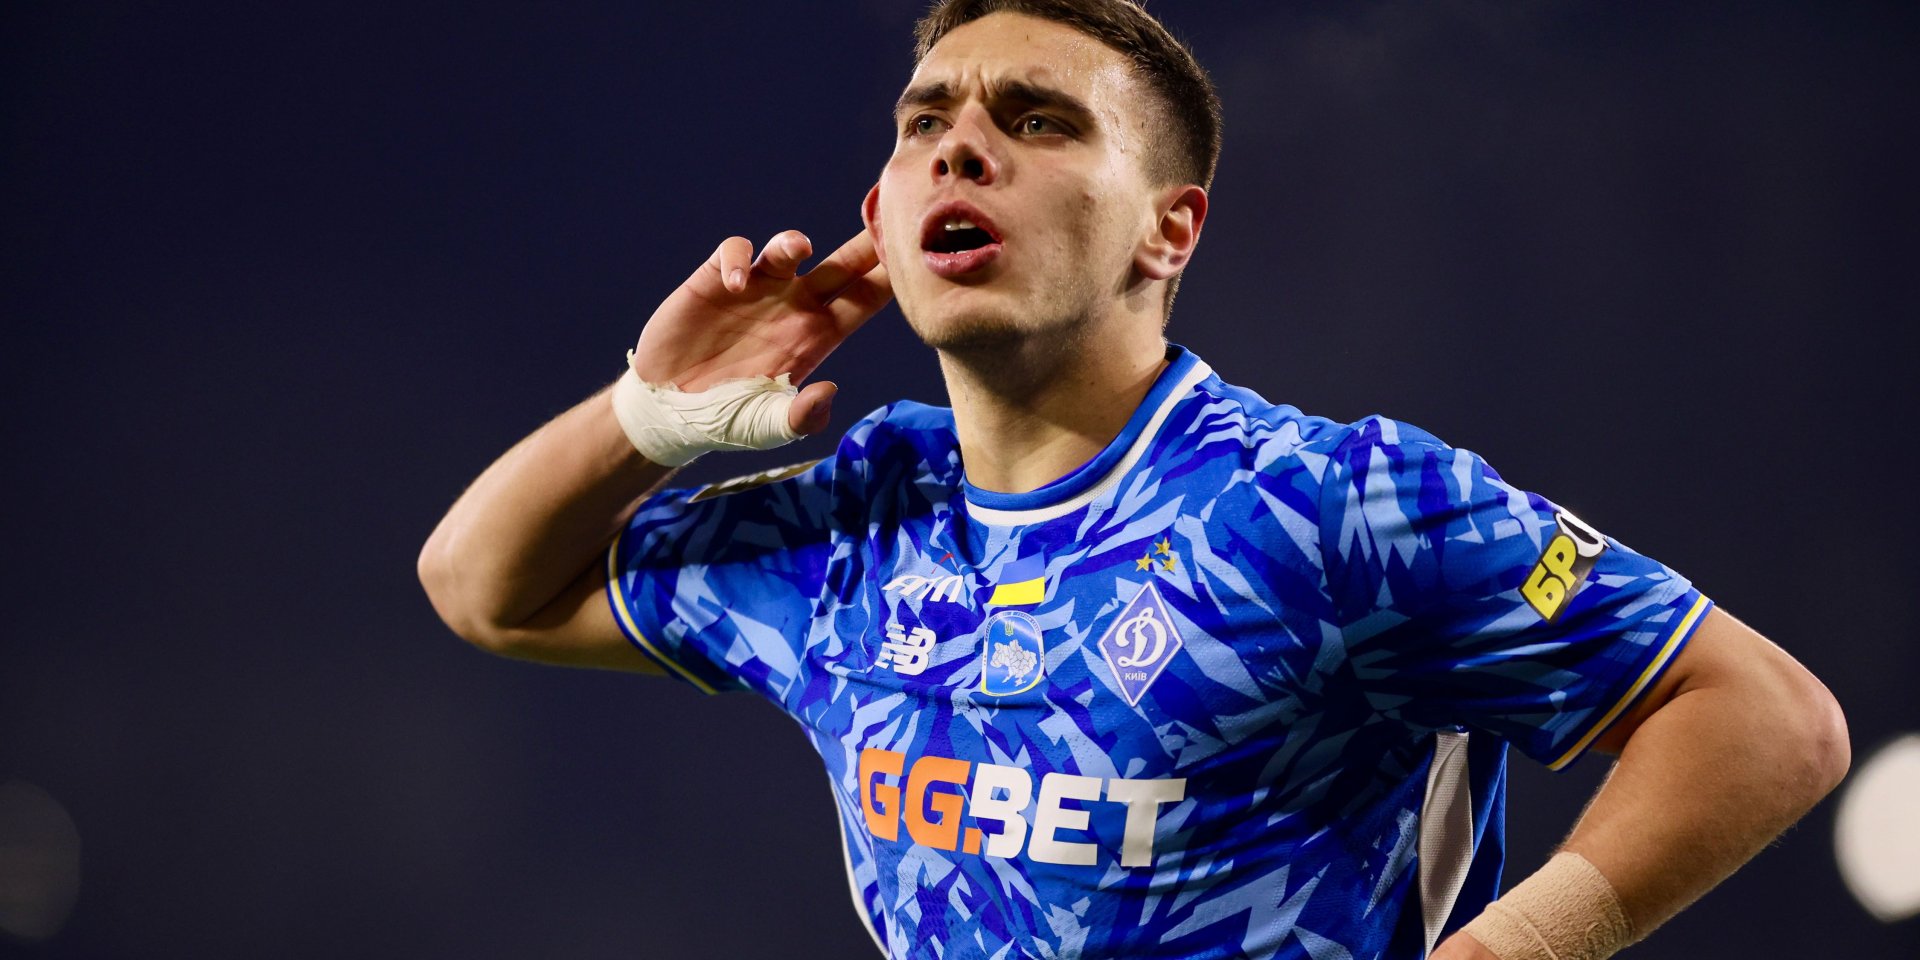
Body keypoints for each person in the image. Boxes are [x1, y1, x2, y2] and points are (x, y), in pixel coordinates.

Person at [417, 1, 1850, 957]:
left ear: (1171, 229)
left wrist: (1510, 953)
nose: (961, 144)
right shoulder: (858, 518)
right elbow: (484, 590)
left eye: (1038, 120)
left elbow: (1767, 720)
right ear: (882, 216)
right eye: (926, 122)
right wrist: (654, 417)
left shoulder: (1325, 505)